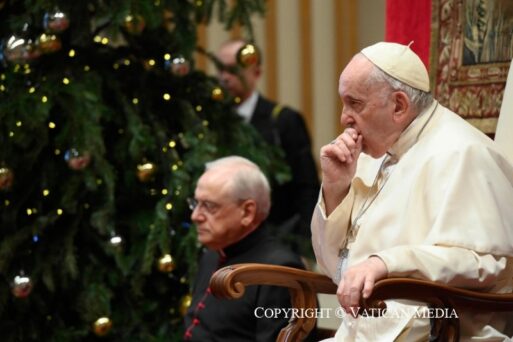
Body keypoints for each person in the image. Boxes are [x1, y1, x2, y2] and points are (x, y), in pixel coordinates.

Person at [311, 41, 513, 340]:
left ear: (399, 105)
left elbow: (486, 262)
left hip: (443, 331)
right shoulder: (370, 156)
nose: (344, 119)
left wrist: (387, 263)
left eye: (355, 104)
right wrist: (335, 188)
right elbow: (333, 267)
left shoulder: (462, 153)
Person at [216, 39, 320, 256]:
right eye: (220, 69)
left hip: (277, 240)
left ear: (256, 72)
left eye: (233, 70)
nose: (224, 77)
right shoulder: (212, 122)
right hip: (223, 240)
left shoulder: (283, 120)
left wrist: (306, 243)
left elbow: (306, 186)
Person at [183, 156, 304, 341]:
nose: (195, 216)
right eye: (195, 203)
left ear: (247, 212)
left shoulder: (280, 272)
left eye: (209, 206)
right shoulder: (212, 254)